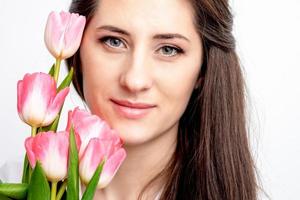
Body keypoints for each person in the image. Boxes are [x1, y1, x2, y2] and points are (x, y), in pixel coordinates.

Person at [66, 0, 258, 199]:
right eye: (113, 41)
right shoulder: (37, 180)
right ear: (76, 49)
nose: (134, 81)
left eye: (168, 49)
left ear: (204, 68)